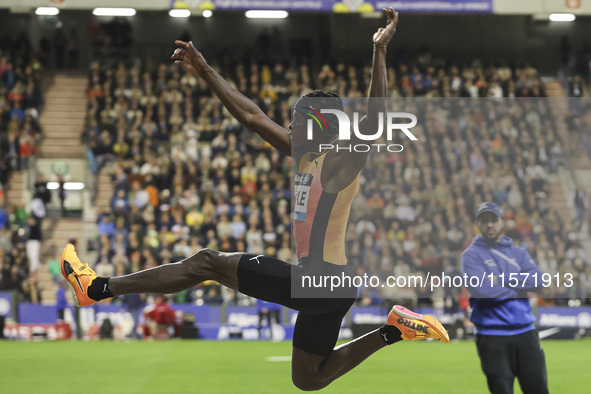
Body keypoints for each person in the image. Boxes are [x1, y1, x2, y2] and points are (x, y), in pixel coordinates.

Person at [61, 9, 449, 391]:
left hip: (322, 283)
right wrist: (205, 70)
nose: (293, 124)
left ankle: (97, 287)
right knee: (308, 378)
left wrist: (379, 51)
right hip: (332, 286)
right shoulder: (306, 157)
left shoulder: (338, 165)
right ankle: (392, 330)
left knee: (206, 261)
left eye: (301, 119)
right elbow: (253, 117)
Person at [461, 202, 548, 394]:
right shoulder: (471, 256)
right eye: (484, 221)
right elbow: (483, 290)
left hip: (526, 334)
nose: (490, 225)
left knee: (538, 390)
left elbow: (539, 281)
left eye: (493, 220)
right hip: (492, 337)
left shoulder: (518, 252)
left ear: (502, 223)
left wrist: (501, 279)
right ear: (478, 224)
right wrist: (520, 287)